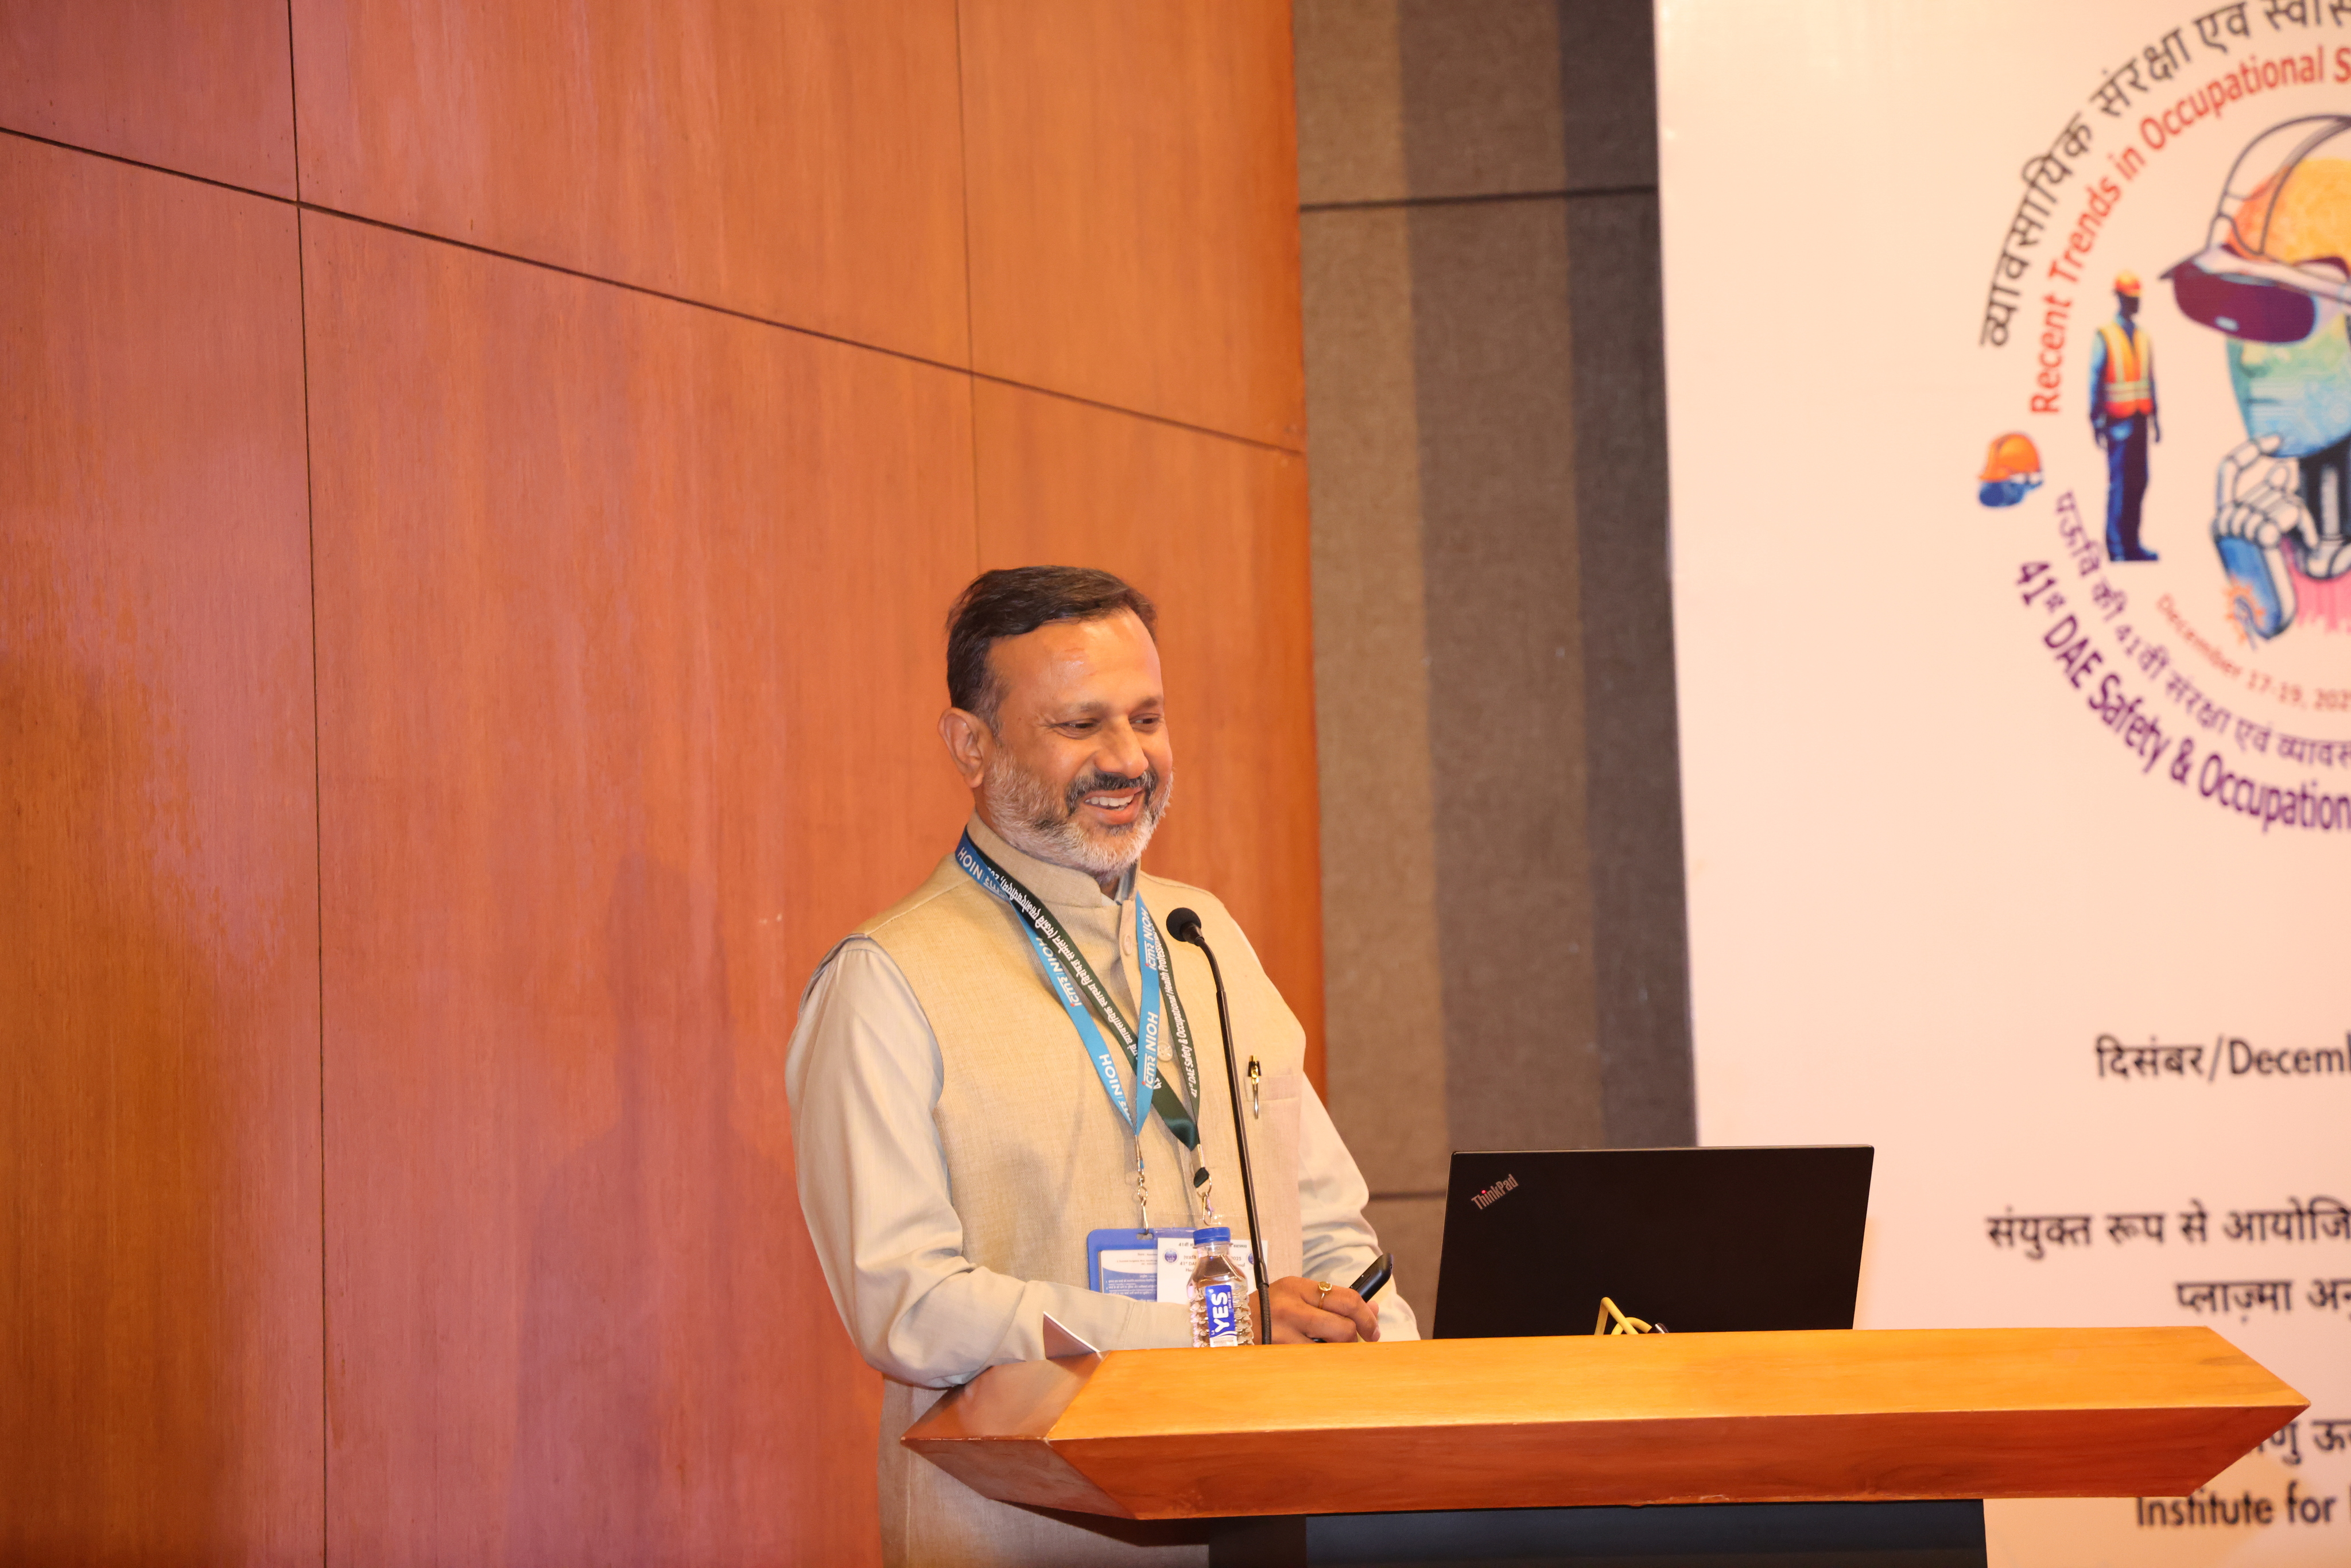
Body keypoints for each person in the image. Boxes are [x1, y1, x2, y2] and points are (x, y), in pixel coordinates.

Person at [787, 566, 1418, 1566]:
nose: (1128, 759)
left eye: (1147, 718)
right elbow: (909, 1306)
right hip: (1025, 1531)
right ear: (971, 746)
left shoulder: (1204, 936)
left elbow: (1331, 1227)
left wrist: (1395, 1378)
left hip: (1267, 1516)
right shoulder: (887, 981)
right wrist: (1207, 1327)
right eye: (1081, 725)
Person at [2089, 271, 2160, 561]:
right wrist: (2096, 421)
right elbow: (2095, 378)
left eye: (2138, 299)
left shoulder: (2144, 337)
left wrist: (2157, 419)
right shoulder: (2105, 336)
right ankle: (2116, 548)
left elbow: (2150, 380)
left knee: (2139, 482)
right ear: (2119, 299)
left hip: (2141, 420)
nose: (2136, 304)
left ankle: (2133, 545)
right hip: (2117, 422)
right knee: (2119, 485)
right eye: (2131, 299)